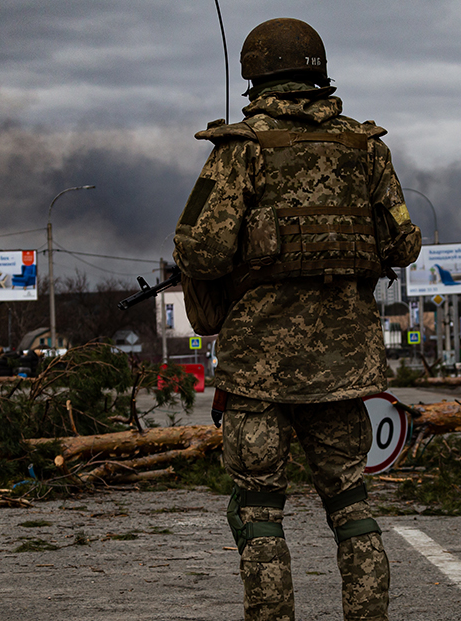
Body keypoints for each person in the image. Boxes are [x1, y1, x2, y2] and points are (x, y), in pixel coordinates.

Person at [173, 17, 421, 621]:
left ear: (254, 73)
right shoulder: (367, 148)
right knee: (352, 504)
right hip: (345, 367)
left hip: (259, 367)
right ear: (318, 69)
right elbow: (404, 245)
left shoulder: (241, 150)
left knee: (257, 510)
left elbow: (199, 250)